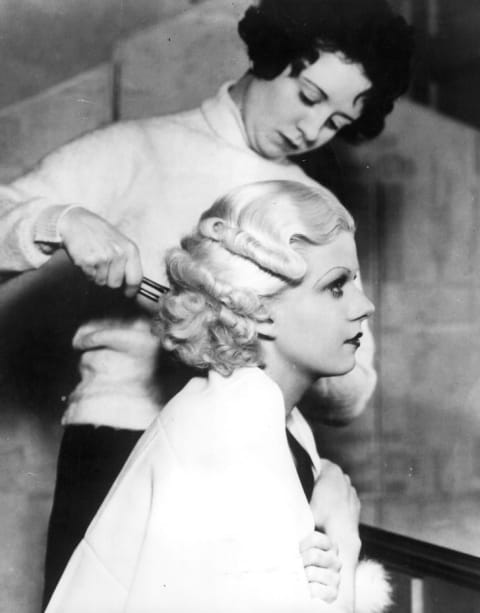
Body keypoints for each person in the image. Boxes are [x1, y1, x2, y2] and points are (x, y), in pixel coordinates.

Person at [0, 0, 414, 601]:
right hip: (121, 443)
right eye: (309, 95)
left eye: (339, 120)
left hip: (267, 455)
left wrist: (262, 334)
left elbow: (353, 390)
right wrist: (57, 219)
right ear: (273, 56)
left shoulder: (315, 205)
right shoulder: (137, 148)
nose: (313, 129)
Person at [45, 180, 390, 613]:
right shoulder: (232, 443)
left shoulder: (257, 414)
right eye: (336, 286)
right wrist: (342, 536)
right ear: (260, 309)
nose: (365, 305)